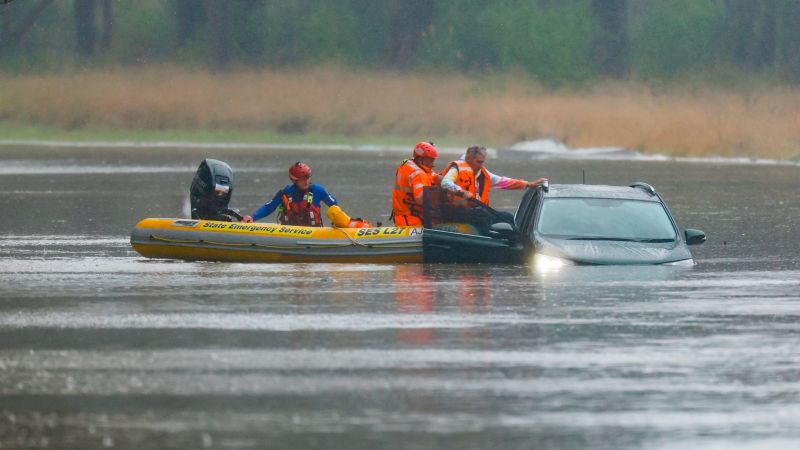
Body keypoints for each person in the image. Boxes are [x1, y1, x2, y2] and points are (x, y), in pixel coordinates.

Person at [242, 162, 370, 228]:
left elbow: (334, 204)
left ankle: (356, 225)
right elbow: (268, 208)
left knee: (334, 210)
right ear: (294, 180)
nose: (307, 181)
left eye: (308, 177)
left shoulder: (318, 190)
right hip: (289, 235)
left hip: (314, 233)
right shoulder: (285, 193)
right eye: (303, 178)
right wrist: (253, 217)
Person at [440, 145, 547, 205]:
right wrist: (462, 192)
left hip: (473, 210)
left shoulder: (482, 173)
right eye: (479, 162)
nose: (481, 165)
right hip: (455, 211)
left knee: (507, 217)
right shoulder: (457, 168)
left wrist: (528, 184)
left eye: (483, 162)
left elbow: (503, 182)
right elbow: (445, 182)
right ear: (468, 159)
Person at [391, 141, 441, 226]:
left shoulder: (407, 164)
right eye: (430, 161)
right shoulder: (419, 175)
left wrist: (448, 182)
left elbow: (432, 176)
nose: (433, 165)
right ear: (420, 159)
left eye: (433, 160)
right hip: (413, 221)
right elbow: (421, 199)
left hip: (399, 218)